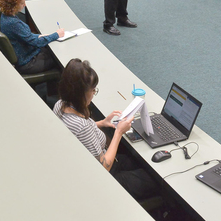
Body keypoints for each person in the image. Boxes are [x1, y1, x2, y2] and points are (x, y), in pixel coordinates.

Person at [53, 59, 157, 200]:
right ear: (80, 93)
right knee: (152, 179)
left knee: (138, 162)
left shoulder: (60, 105)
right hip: (101, 179)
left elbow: (77, 134)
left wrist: (101, 123)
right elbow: (104, 166)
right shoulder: (82, 127)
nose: (94, 93)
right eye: (92, 90)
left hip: (86, 166)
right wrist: (119, 133)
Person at [0, 0, 63, 74]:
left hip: (26, 53)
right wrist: (56, 35)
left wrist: (38, 36)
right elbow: (35, 42)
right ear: (14, 5)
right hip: (27, 62)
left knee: (50, 48)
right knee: (59, 57)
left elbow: (25, 35)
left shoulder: (5, 15)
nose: (24, 5)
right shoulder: (13, 23)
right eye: (22, 3)